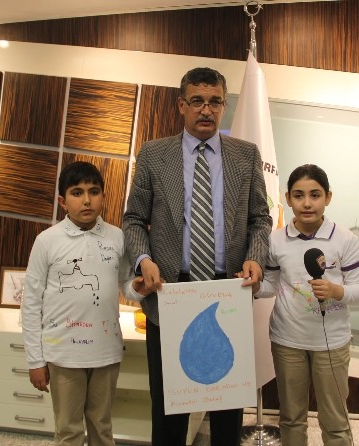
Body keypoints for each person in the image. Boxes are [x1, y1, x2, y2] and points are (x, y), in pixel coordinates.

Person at [122, 67, 273, 446]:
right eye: (197, 101)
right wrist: (143, 260)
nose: (206, 110)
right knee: (169, 413)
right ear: (181, 105)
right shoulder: (154, 154)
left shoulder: (246, 155)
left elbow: (260, 218)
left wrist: (255, 257)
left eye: (215, 102)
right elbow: (134, 219)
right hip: (170, 296)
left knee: (226, 411)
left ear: (224, 105)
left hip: (228, 296)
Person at [22, 161, 154, 446]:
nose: (86, 200)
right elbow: (30, 303)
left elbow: (125, 284)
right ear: (62, 201)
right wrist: (35, 360)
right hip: (63, 354)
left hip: (106, 352)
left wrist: (137, 288)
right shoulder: (46, 241)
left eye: (94, 192)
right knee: (68, 431)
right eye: (77, 192)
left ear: (103, 196)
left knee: (102, 428)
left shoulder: (117, 236)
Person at [253, 164, 359, 446]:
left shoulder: (345, 239)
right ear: (288, 198)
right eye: (298, 195)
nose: (307, 203)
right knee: (291, 419)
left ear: (328, 197)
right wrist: (251, 286)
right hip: (287, 341)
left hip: (332, 343)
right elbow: (270, 286)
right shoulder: (275, 239)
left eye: (315, 195)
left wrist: (336, 291)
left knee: (336, 422)